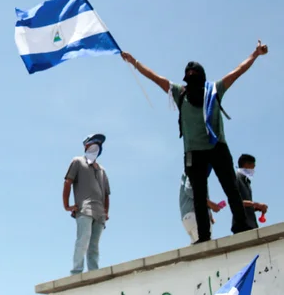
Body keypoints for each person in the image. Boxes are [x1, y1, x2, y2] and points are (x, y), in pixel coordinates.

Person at [121, 41, 269, 243]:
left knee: (230, 188)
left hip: (217, 146)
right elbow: (155, 78)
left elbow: (238, 71)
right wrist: (134, 62)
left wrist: (255, 54)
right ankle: (204, 237)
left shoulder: (215, 90)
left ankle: (241, 226)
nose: (192, 81)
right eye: (189, 77)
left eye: (195, 77)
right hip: (194, 153)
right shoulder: (180, 93)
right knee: (199, 196)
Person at [63, 134, 111, 275]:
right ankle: (76, 272)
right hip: (84, 209)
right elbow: (67, 182)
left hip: (99, 213)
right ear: (86, 145)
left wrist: (106, 212)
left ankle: (94, 273)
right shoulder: (77, 162)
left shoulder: (102, 170)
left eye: (99, 143)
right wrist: (67, 205)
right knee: (83, 239)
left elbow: (106, 194)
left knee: (94, 246)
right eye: (94, 142)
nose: (97, 145)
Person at [180, 172, 223, 244]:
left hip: (188, 217)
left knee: (198, 249)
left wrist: (209, 214)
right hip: (195, 216)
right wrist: (210, 204)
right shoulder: (195, 168)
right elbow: (189, 190)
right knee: (206, 246)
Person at [236, 153, 268, 230]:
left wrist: (257, 208)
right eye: (252, 167)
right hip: (242, 224)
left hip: (251, 224)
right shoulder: (236, 178)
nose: (253, 170)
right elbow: (236, 202)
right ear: (246, 165)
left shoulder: (246, 181)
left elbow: (244, 205)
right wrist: (256, 204)